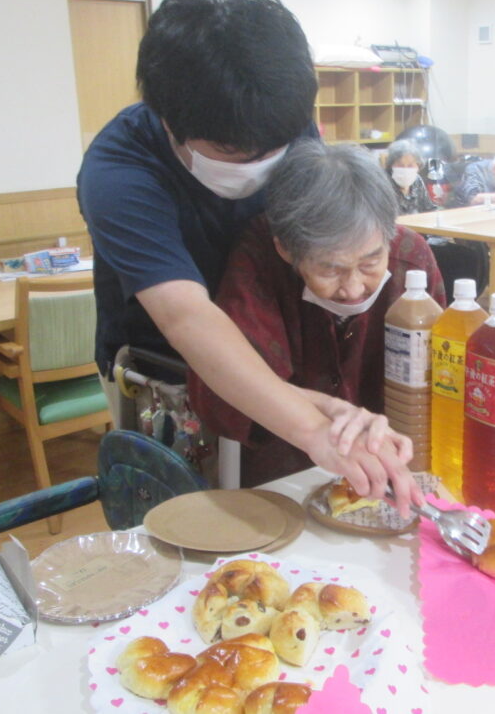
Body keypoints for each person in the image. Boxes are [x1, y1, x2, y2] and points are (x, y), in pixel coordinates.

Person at [77, 0, 420, 514]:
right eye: (233, 153)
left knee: (287, 509)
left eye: (275, 149)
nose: (262, 163)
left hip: (270, 341)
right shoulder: (119, 175)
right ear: (171, 122)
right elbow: (187, 319)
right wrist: (311, 425)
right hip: (161, 365)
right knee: (183, 520)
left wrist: (317, 405)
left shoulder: (276, 116)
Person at [187, 141, 445, 485]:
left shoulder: (411, 255)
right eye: (331, 270)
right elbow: (222, 394)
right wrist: (323, 416)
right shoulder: (259, 261)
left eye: (370, 263)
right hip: (286, 471)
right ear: (286, 249)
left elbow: (444, 375)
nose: (354, 289)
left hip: (394, 463)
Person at [384, 139, 437, 214]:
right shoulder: (383, 182)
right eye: (400, 165)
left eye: (410, 165)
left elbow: (429, 209)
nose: (405, 169)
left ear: (418, 166)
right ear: (391, 165)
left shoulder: (417, 180)